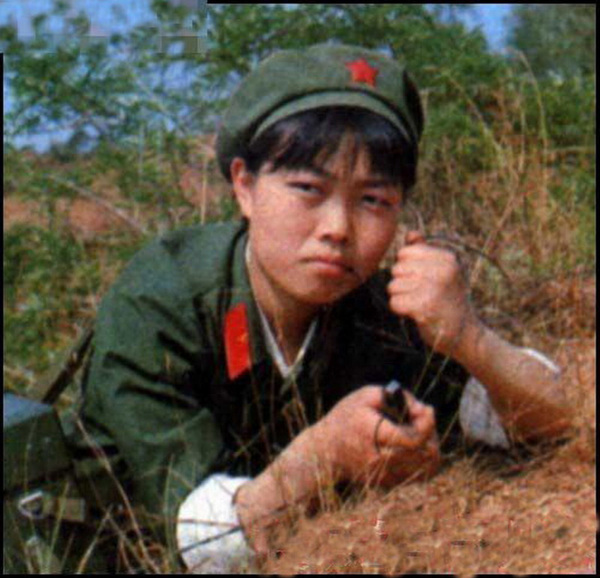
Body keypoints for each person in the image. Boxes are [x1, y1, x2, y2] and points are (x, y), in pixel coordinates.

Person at [70, 44, 573, 572]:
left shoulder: (382, 308)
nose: (338, 228)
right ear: (244, 186)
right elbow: (200, 543)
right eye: (309, 189)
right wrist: (325, 457)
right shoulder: (162, 301)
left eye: (373, 200)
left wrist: (469, 337)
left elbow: (554, 422)